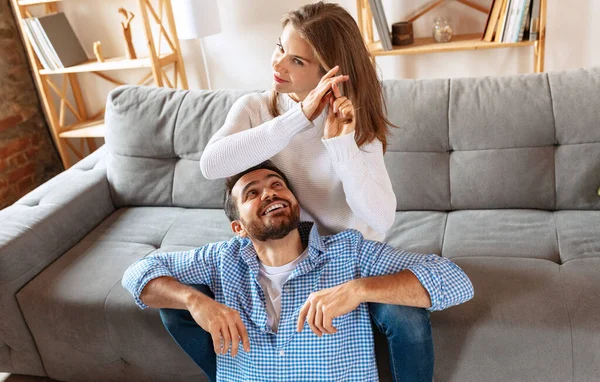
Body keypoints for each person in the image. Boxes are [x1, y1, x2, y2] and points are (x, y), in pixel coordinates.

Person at [186, 2, 435, 381]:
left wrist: (341, 145)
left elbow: (380, 218)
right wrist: (298, 118)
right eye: (279, 48)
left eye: (298, 62)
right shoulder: (256, 108)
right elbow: (212, 164)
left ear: (331, 74)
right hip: (285, 251)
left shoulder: (355, 123)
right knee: (178, 306)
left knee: (408, 319)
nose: (279, 65)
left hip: (347, 258)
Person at [122, 162, 474, 382]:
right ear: (238, 228)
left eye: (277, 185)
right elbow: (139, 272)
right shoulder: (221, 259)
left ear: (295, 204)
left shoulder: (347, 252)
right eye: (253, 193)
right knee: (172, 306)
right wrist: (196, 302)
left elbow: (454, 280)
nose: (270, 193)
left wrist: (358, 289)